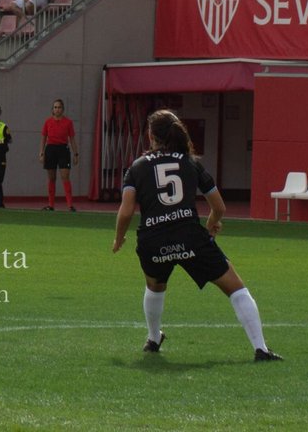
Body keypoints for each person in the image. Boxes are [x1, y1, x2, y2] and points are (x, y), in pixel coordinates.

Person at [112, 109, 281, 360]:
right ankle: (261, 349)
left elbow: (126, 212)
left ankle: (153, 338)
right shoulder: (190, 163)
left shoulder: (137, 167)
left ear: (151, 135)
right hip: (190, 236)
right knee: (236, 289)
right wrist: (212, 224)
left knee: (155, 287)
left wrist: (119, 239)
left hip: (153, 240)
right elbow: (219, 206)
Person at [40, 98, 78, 212]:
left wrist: (76, 154)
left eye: (59, 107)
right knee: (52, 177)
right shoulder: (47, 122)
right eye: (55, 107)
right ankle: (51, 205)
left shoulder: (68, 122)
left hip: (63, 150)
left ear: (63, 109)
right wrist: (41, 152)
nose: (57, 109)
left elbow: (72, 139)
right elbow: (43, 138)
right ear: (52, 109)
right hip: (50, 149)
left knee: (65, 176)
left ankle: (70, 205)